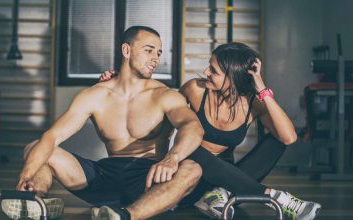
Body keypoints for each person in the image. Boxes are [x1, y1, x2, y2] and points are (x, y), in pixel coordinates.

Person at [1, 26, 204, 220]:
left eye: (158, 53)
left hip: (147, 179)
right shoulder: (95, 95)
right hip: (105, 176)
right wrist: (26, 175)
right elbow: (53, 136)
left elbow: (192, 127)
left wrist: (173, 158)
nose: (156, 58)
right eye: (149, 50)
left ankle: (125, 216)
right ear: (126, 50)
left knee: (192, 169)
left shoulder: (165, 96)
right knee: (36, 148)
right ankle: (34, 199)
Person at [101, 42, 321, 220]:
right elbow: (158, 101)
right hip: (191, 177)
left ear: (232, 78)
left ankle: (220, 196)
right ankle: (276, 197)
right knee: (194, 148)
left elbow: (289, 137)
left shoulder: (254, 103)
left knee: (277, 141)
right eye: (209, 65)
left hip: (228, 178)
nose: (206, 72)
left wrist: (261, 88)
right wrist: (119, 83)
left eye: (213, 71)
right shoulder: (195, 90)